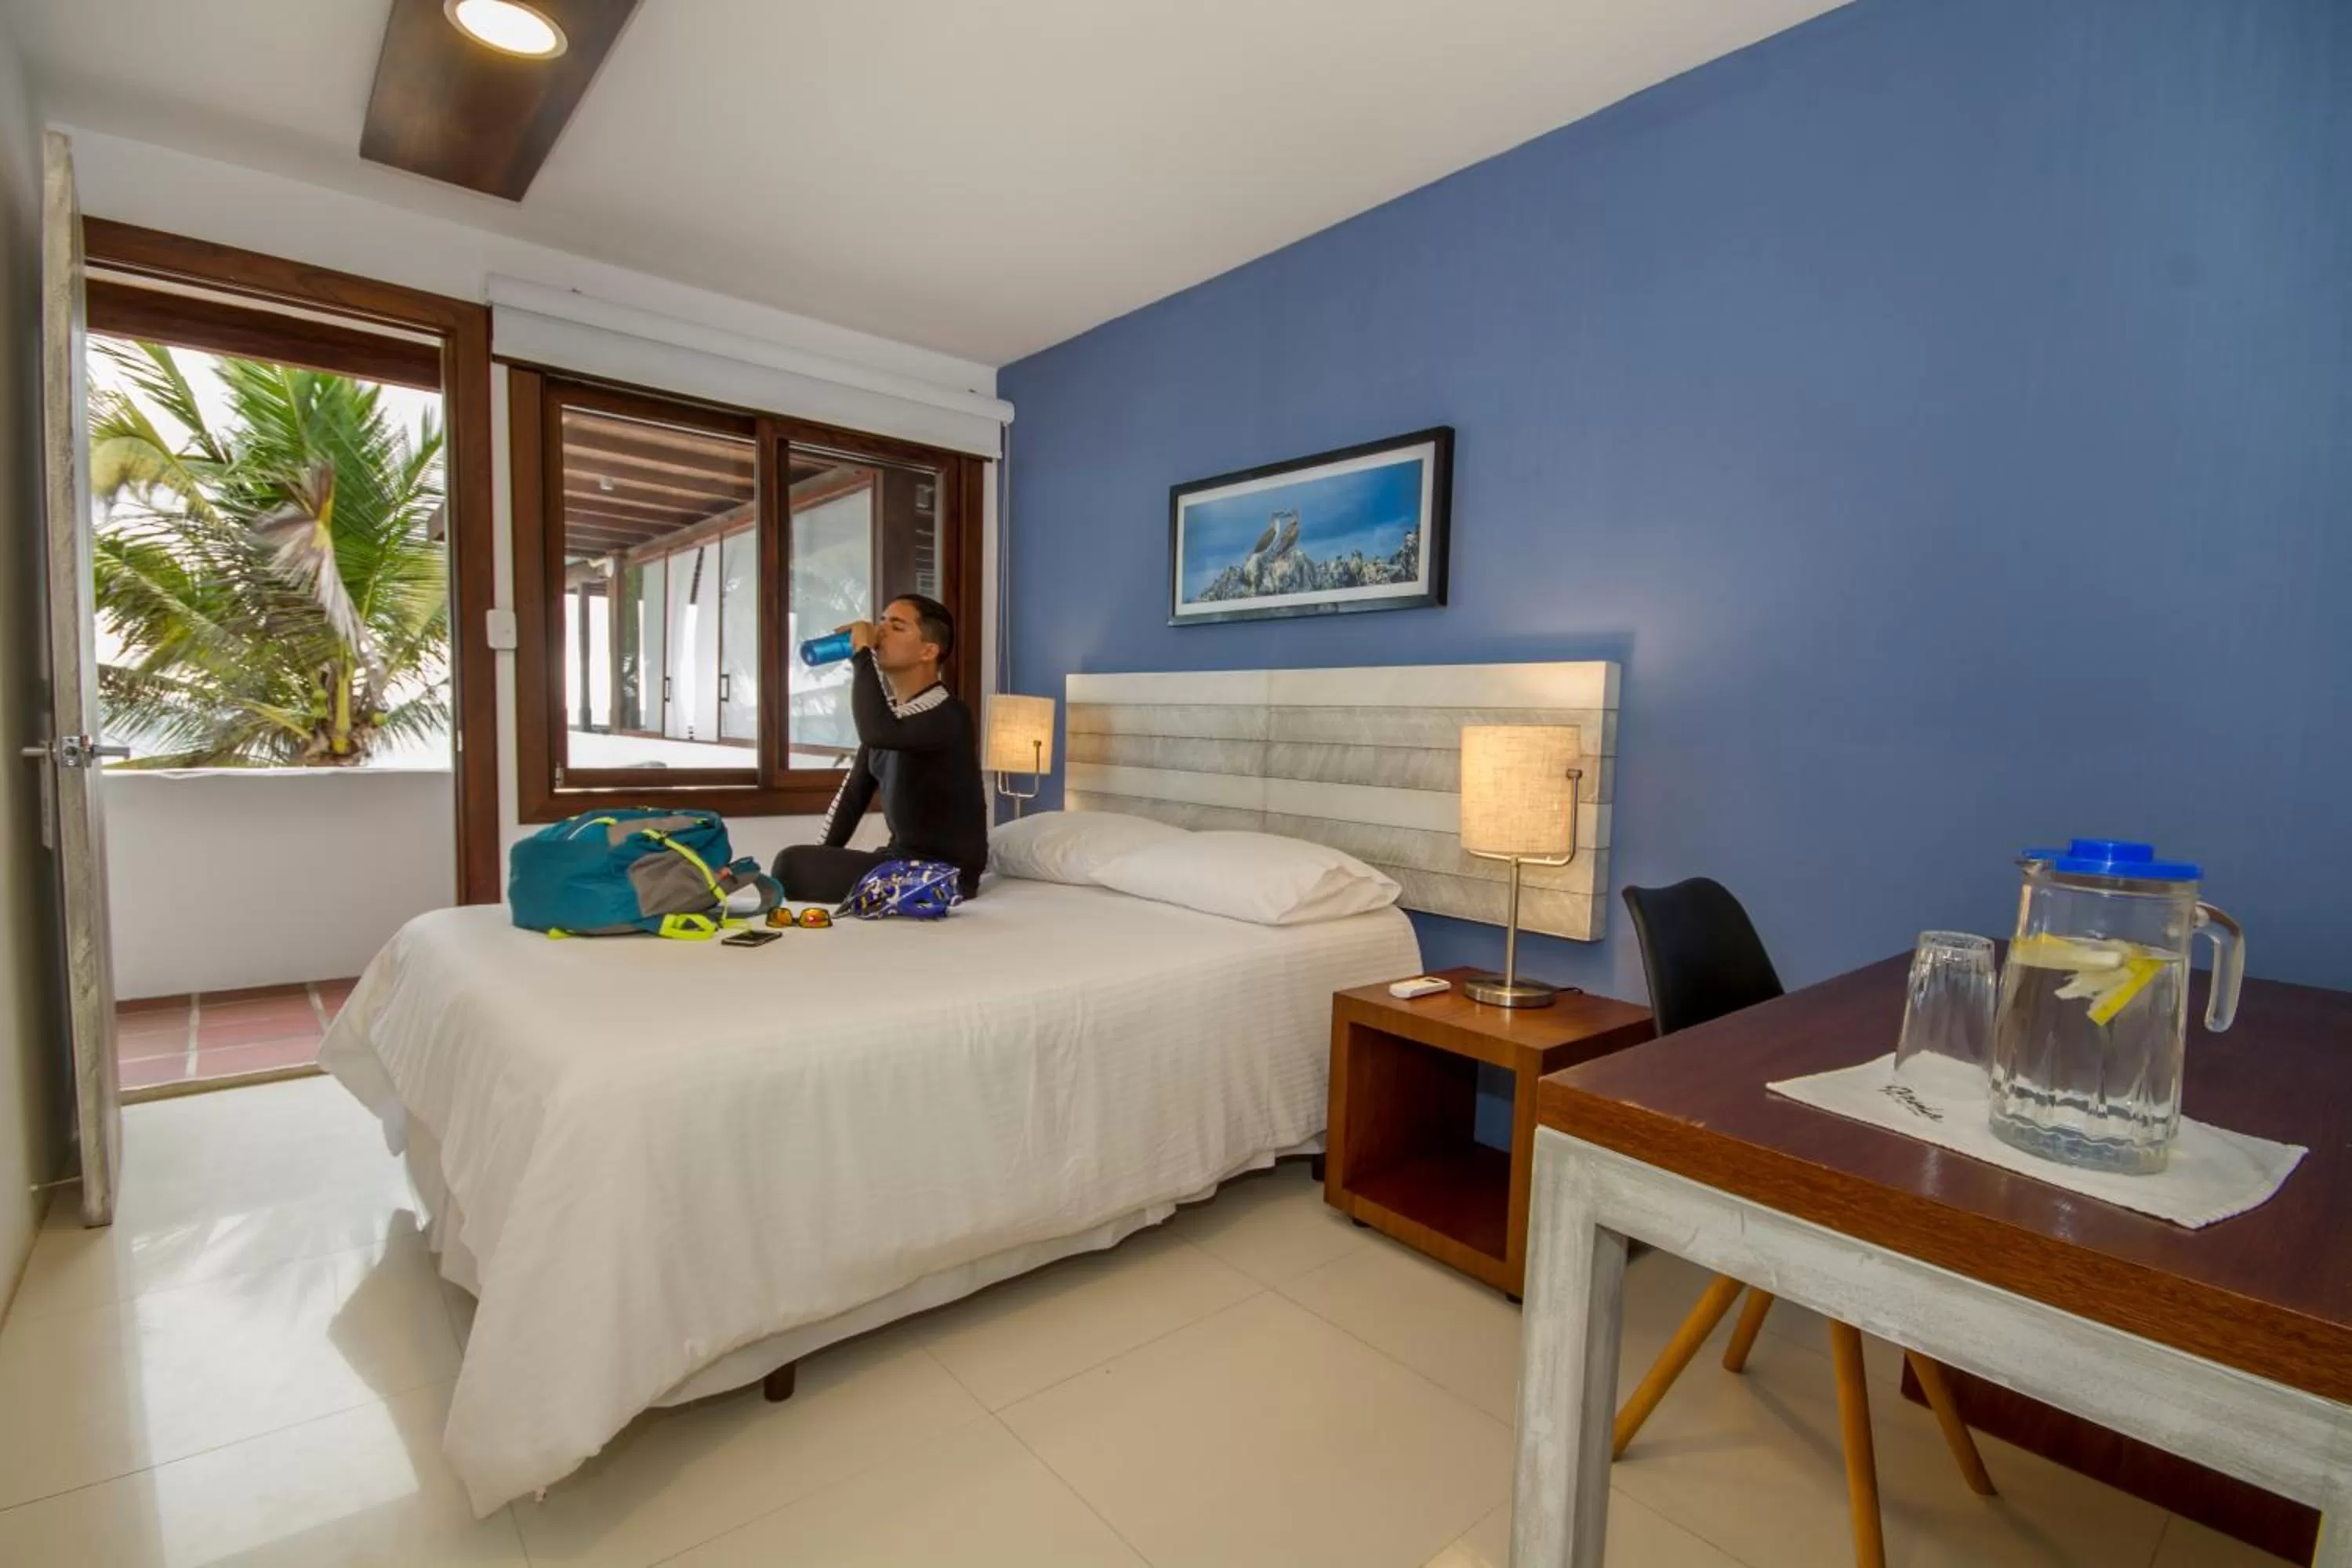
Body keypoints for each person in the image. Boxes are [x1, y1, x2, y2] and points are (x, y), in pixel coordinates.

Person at [773, 593, 989, 903]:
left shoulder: (949, 715)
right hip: (900, 860)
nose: (881, 632)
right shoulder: (891, 718)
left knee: (791, 866)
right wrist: (821, 858)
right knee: (793, 865)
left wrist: (862, 654)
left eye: (897, 627)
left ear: (928, 651)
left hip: (945, 874)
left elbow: (877, 730)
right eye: (882, 622)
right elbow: (851, 799)